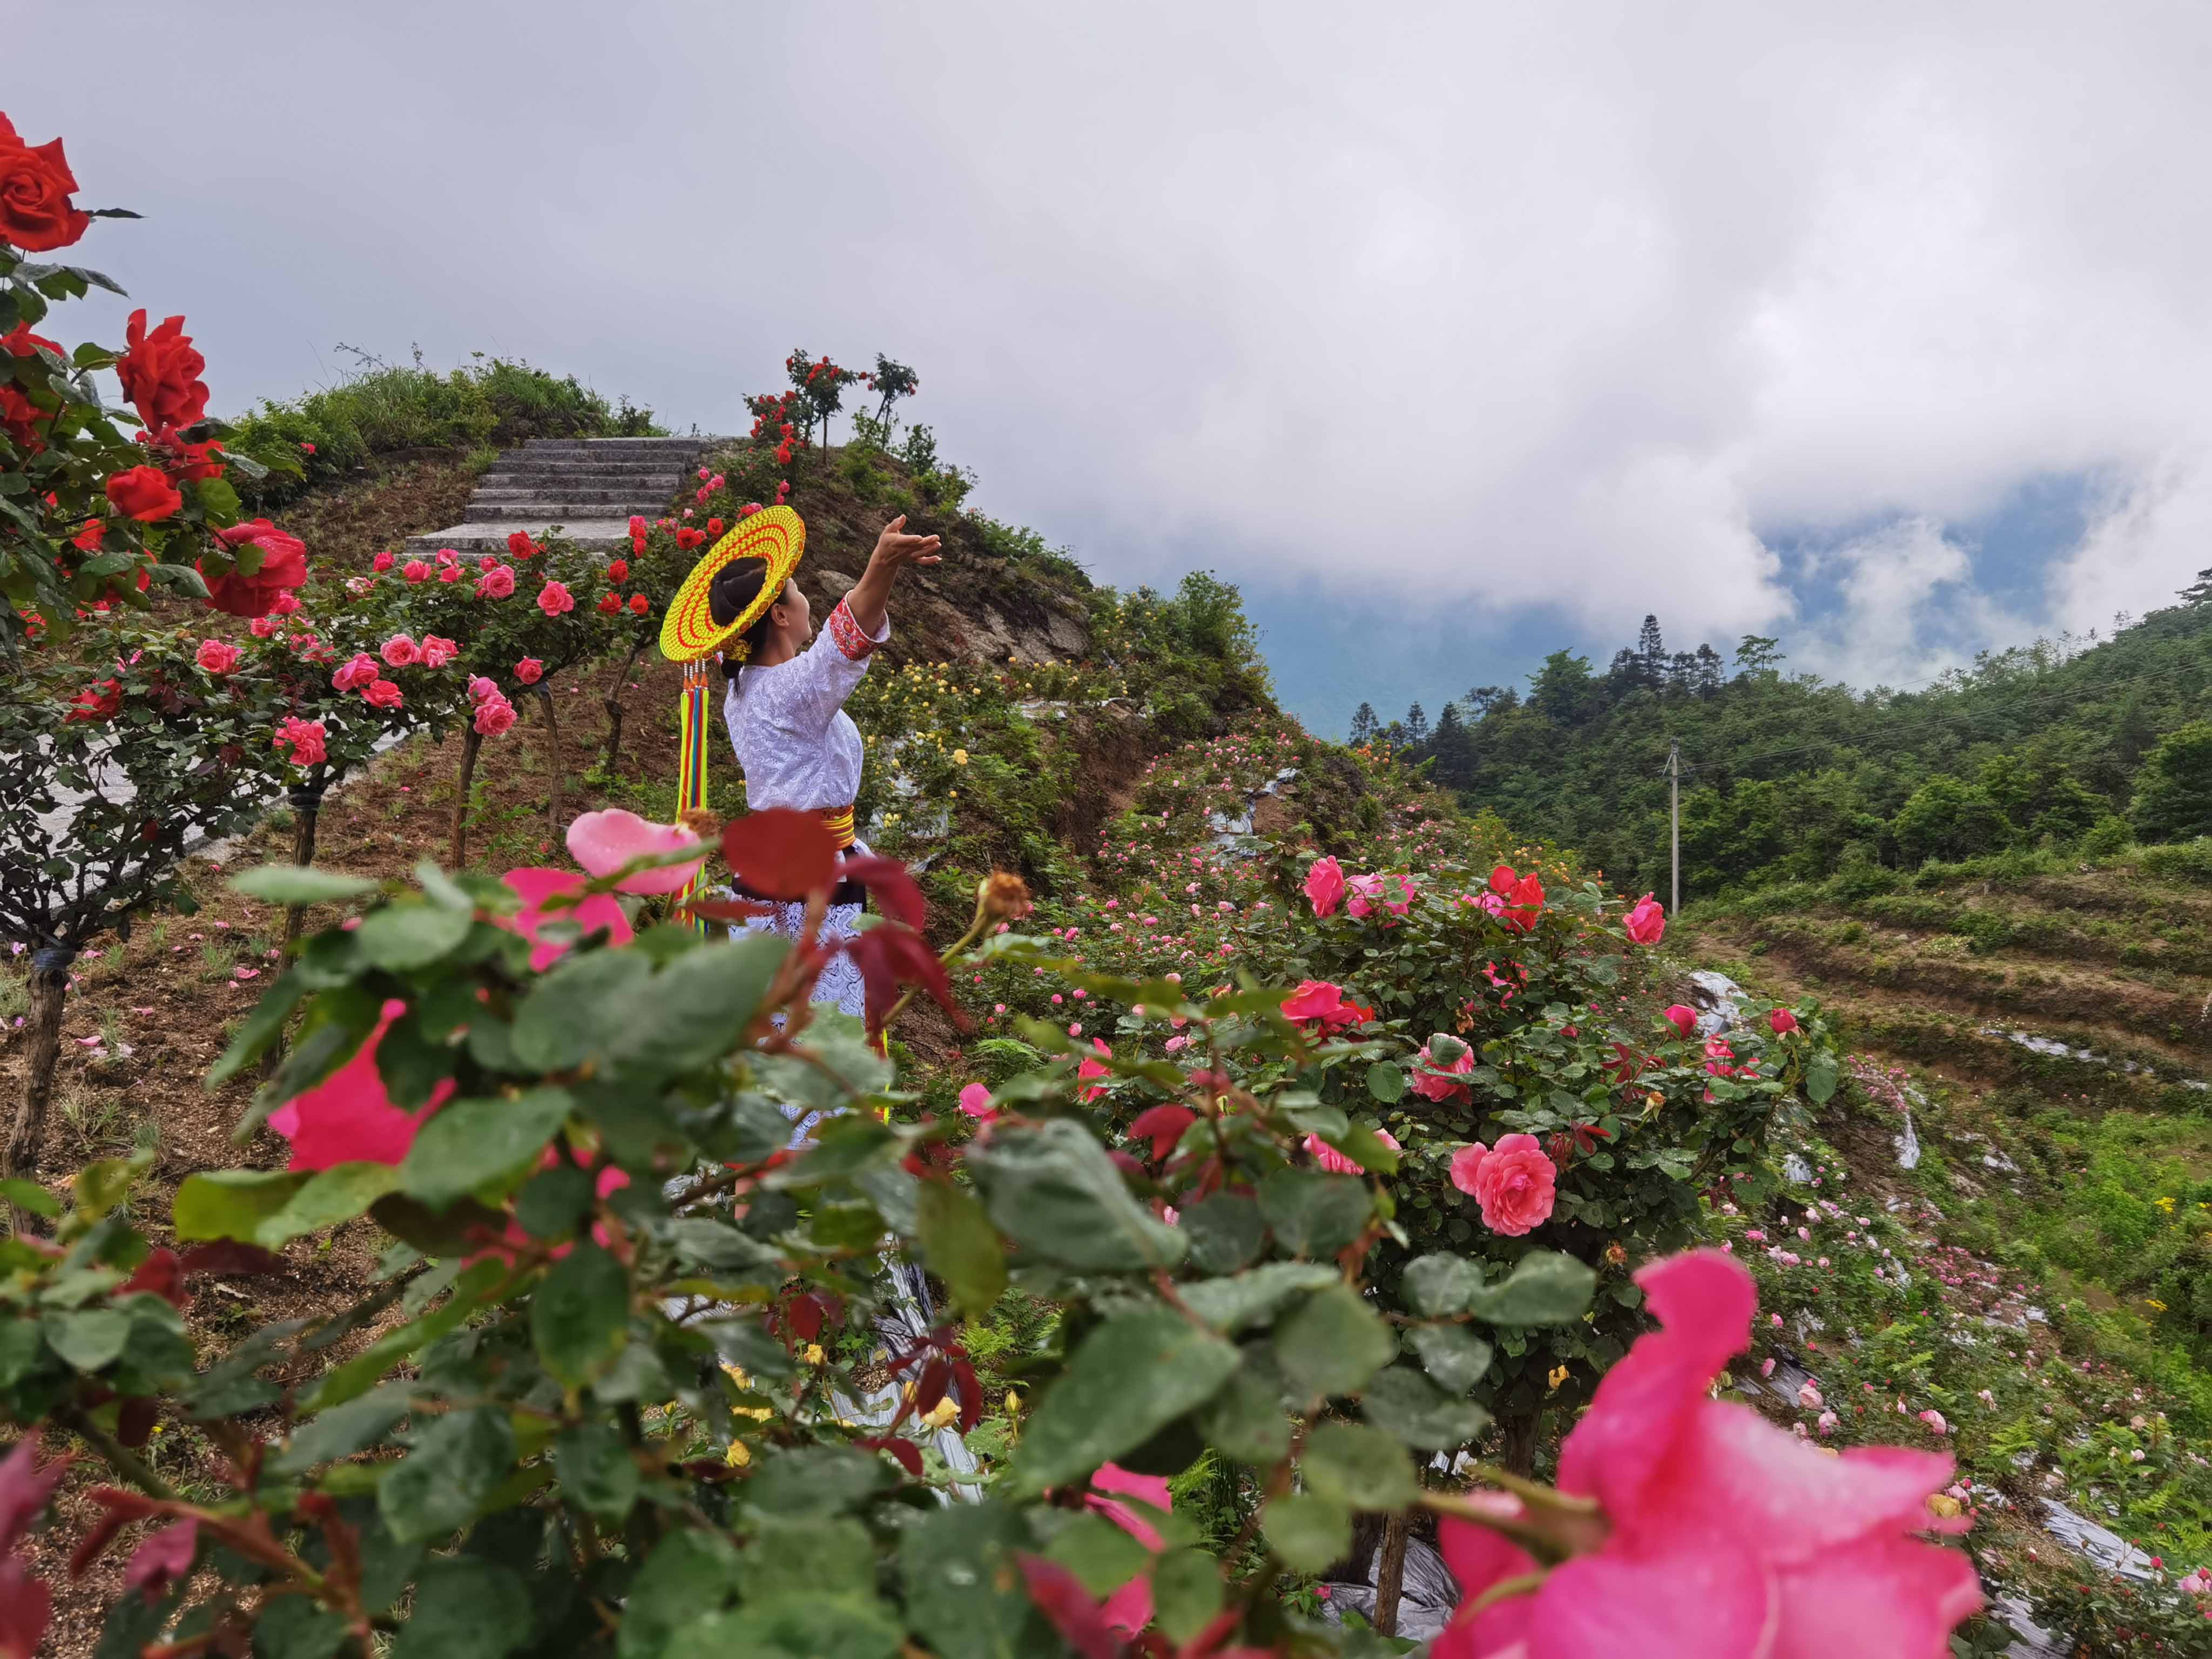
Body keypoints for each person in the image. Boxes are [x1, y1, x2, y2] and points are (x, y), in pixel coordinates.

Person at [696, 511, 941, 1018]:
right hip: (812, 878)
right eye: (797, 588)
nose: (806, 596)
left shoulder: (742, 692)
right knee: (822, 1024)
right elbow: (842, 643)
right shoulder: (789, 691)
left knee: (780, 1018)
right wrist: (881, 565)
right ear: (781, 617)